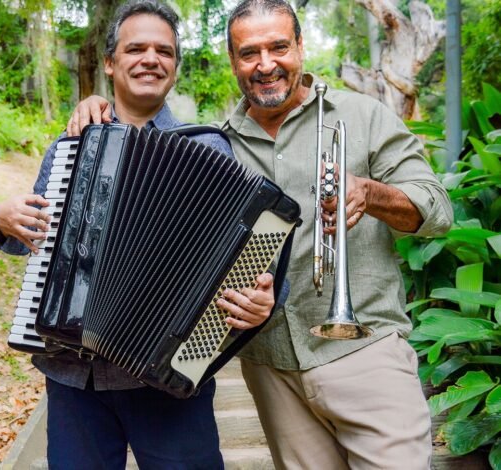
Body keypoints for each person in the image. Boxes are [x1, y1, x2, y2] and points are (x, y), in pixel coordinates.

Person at [66, 1, 453, 468]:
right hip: (272, 369)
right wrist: (98, 105)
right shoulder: (215, 146)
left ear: (301, 48)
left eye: (278, 48)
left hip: (364, 352)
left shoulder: (361, 114)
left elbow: (437, 210)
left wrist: (372, 194)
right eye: (249, 53)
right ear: (233, 62)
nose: (265, 65)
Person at [0, 2, 279, 468]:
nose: (150, 59)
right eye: (136, 48)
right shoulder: (70, 144)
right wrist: (0, 219)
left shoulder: (207, 147)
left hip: (167, 377)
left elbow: (247, 257)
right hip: (74, 376)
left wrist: (262, 299)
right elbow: (37, 237)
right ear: (111, 63)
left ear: (175, 67)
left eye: (164, 51)